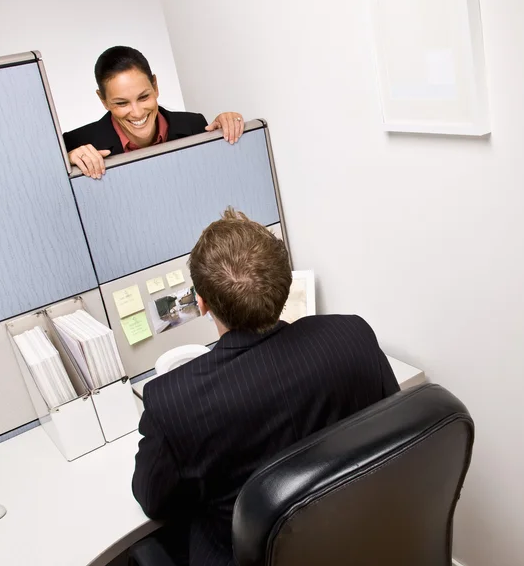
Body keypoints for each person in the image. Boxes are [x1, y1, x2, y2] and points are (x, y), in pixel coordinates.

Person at [130, 209, 399, 566]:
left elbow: (153, 500)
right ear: (284, 284)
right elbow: (391, 427)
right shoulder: (352, 336)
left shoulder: (174, 402)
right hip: (352, 542)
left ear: (203, 303)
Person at [63, 46, 244, 179]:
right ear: (103, 100)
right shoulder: (75, 143)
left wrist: (228, 128)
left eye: (143, 97)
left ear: (155, 86)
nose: (137, 112)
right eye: (121, 103)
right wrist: (65, 162)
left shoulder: (195, 125)